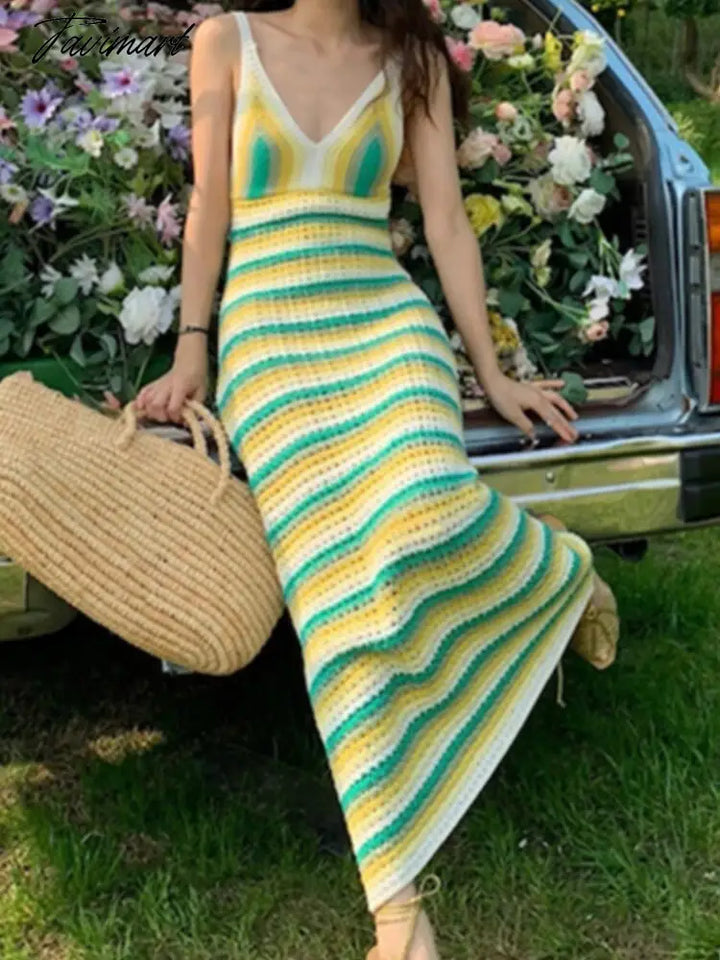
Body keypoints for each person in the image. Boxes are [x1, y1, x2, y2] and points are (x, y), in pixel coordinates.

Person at [133, 2, 619, 957]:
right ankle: (397, 913)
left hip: (385, 326)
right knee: (333, 592)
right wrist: (193, 349)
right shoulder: (225, 42)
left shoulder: (412, 60)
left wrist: (492, 373)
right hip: (270, 338)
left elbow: (447, 223)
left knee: (428, 503)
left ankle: (556, 575)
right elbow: (209, 208)